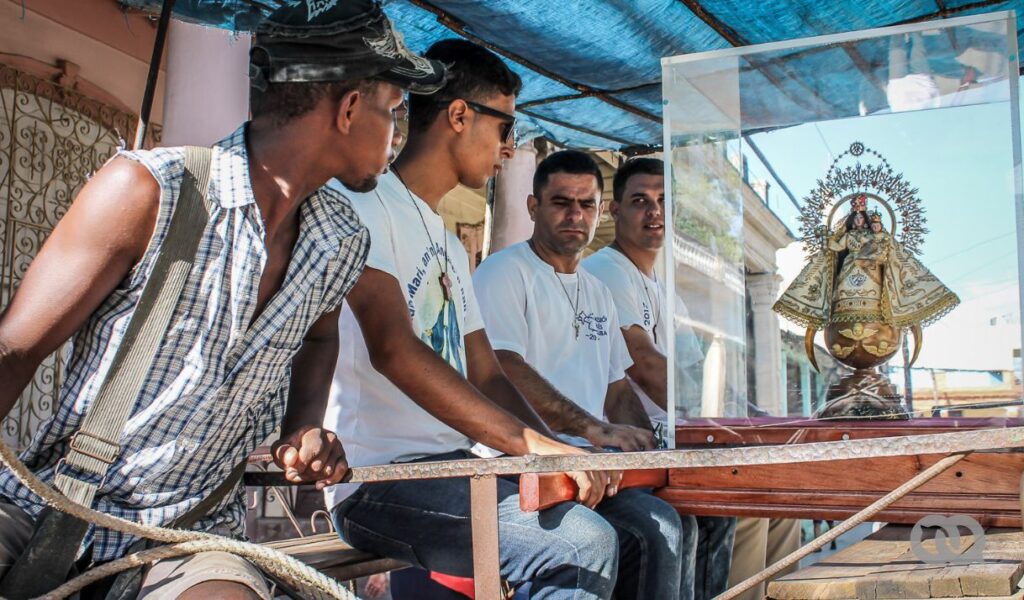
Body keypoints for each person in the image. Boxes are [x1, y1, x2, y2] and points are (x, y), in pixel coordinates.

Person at [0, 2, 446, 598]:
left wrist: (305, 427)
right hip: (53, 504)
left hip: (191, 536)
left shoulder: (341, 239)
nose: (396, 135)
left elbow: (318, 333)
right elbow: (14, 348)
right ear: (347, 109)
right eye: (393, 111)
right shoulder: (149, 190)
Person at [324, 39, 625, 600]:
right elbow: (394, 350)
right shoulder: (365, 205)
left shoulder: (445, 240)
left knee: (638, 522)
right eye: (505, 128)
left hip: (456, 467)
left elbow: (486, 373)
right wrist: (531, 445)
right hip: (375, 481)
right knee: (581, 544)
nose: (508, 148)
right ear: (460, 116)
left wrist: (554, 443)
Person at [473, 150, 688, 599]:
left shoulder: (596, 290)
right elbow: (502, 369)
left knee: (667, 524)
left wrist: (651, 448)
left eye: (586, 204)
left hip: (589, 465)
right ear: (534, 207)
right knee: (589, 539)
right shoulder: (505, 272)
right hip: (520, 465)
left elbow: (616, 391)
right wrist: (591, 429)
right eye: (561, 202)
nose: (575, 215)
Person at [581, 157, 737, 600]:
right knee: (684, 521)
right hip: (625, 450)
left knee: (733, 507)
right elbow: (644, 365)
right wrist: (717, 421)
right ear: (614, 211)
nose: (654, 212)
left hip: (664, 448)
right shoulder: (607, 271)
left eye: (664, 201)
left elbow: (694, 373)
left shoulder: (663, 288)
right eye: (640, 201)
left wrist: (743, 414)